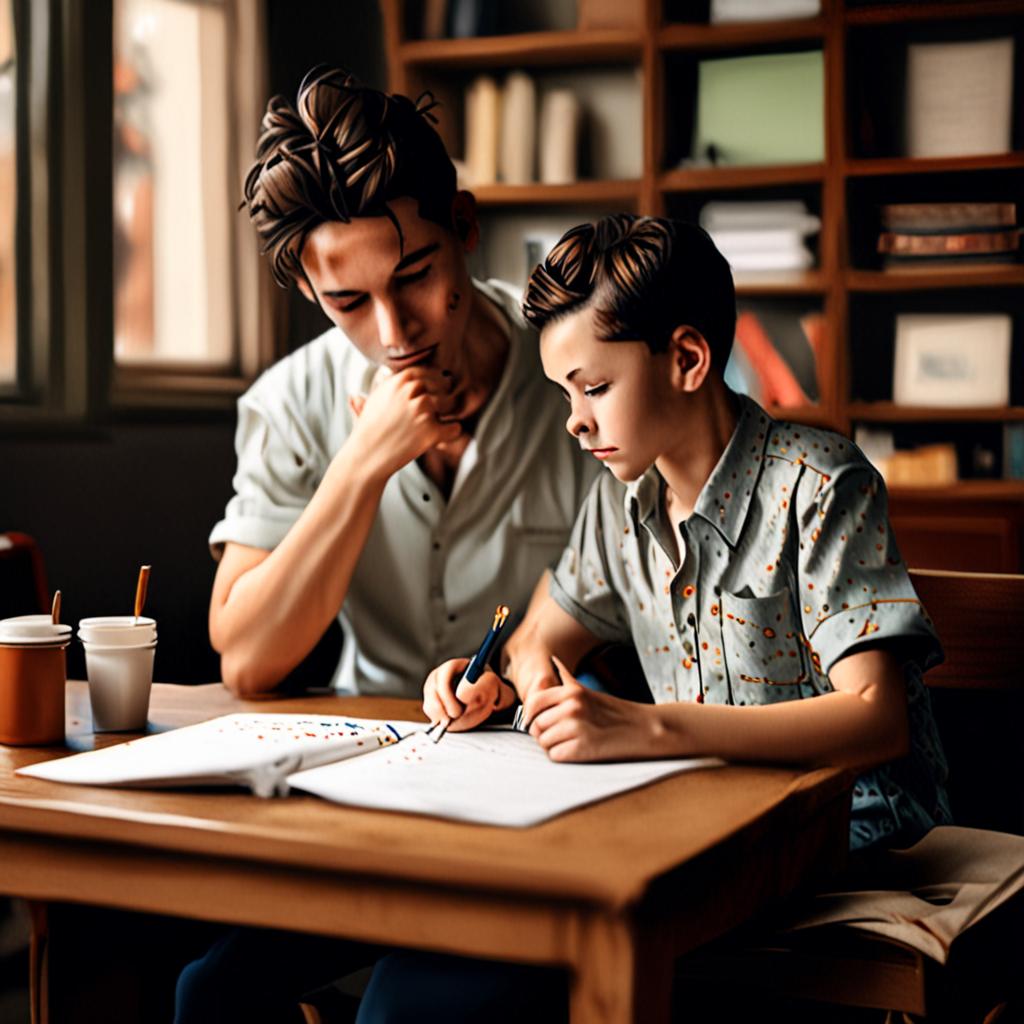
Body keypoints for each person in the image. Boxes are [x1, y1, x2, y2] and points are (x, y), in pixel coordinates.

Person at [177, 65, 594, 1023]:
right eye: (347, 304)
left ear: (466, 228)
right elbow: (248, 656)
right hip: (372, 802)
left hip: (546, 805)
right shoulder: (290, 404)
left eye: (416, 278)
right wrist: (361, 465)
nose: (394, 331)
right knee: (208, 997)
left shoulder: (582, 378)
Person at [426, 213, 952, 855]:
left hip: (857, 838)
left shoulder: (820, 487)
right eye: (566, 397)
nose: (576, 423)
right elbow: (532, 639)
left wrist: (649, 729)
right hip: (705, 829)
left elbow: (875, 716)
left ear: (687, 359)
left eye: (594, 388)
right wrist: (518, 693)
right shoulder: (617, 505)